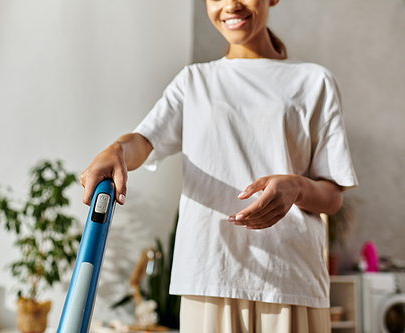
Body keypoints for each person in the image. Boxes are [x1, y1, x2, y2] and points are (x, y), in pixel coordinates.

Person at [80, 0, 358, 332]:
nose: (230, 5)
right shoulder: (194, 81)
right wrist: (115, 150)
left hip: (291, 281)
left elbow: (332, 195)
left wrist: (296, 187)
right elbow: (143, 141)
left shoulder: (314, 82)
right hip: (208, 277)